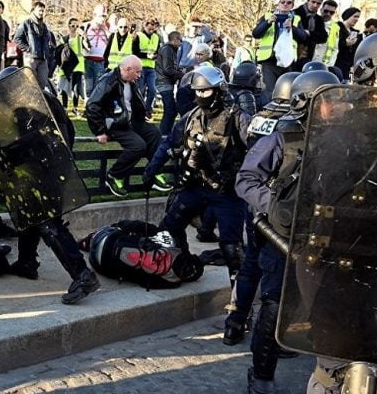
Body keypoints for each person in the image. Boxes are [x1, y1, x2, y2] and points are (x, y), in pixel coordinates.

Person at [304, 30, 377, 393]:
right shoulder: (349, 135)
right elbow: (329, 211)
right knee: (349, 375)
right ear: (373, 76)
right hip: (342, 274)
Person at [236, 70, 340, 394]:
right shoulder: (283, 140)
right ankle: (262, 374)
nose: (339, 106)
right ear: (306, 104)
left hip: (327, 237)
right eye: (329, 101)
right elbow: (245, 180)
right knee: (274, 305)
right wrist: (276, 205)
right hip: (283, 239)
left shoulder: (344, 140)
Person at [0, 66, 101, 304]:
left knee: (49, 224)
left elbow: (42, 139)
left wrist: (11, 153)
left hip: (49, 171)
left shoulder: (36, 106)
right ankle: (26, 262)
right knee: (28, 213)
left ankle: (83, 275)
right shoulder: (39, 101)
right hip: (43, 170)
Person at [142, 66, 250, 289]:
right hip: (196, 186)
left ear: (218, 90)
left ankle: (239, 299)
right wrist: (151, 170)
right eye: (197, 91)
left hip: (227, 192)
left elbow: (258, 147)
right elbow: (168, 143)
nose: (200, 95)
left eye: (205, 91)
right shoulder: (192, 117)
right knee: (169, 227)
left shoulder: (237, 117)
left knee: (232, 247)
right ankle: (183, 263)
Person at [223, 71, 301, 346]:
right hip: (277, 206)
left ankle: (234, 323)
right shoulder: (289, 123)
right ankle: (271, 335)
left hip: (256, 200)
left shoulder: (261, 115)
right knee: (274, 274)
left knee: (250, 264)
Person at [85, 55, 171, 197]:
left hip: (129, 121)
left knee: (154, 134)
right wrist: (100, 131)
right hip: (115, 124)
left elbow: (133, 103)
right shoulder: (109, 81)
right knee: (138, 146)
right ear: (128, 69)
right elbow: (92, 105)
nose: (139, 75)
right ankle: (114, 175)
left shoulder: (130, 81)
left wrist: (143, 113)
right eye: (137, 72)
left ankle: (154, 172)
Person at [252, 0, 308, 97]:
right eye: (283, 2)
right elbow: (256, 34)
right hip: (269, 60)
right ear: (279, 4)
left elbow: (303, 38)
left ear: (292, 5)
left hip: (287, 61)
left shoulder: (296, 19)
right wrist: (267, 23)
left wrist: (292, 28)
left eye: (289, 3)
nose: (285, 4)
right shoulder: (268, 16)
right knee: (269, 92)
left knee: (286, 92)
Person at [14, 2, 52, 90]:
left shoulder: (44, 26)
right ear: (33, 11)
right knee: (30, 82)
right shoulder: (26, 23)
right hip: (30, 58)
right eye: (39, 10)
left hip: (43, 59)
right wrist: (28, 49)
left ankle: (39, 98)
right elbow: (17, 38)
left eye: (43, 11)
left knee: (43, 82)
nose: (41, 13)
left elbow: (48, 40)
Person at [155, 31, 184, 135]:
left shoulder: (170, 50)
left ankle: (166, 132)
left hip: (166, 83)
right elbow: (167, 69)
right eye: (180, 40)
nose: (181, 43)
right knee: (170, 110)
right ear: (175, 39)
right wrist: (181, 75)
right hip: (164, 83)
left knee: (172, 110)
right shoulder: (167, 49)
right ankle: (164, 133)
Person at [57, 17, 86, 115]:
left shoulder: (81, 38)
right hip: (67, 66)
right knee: (65, 87)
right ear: (69, 26)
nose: (75, 28)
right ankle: (65, 107)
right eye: (73, 26)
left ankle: (75, 108)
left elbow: (88, 47)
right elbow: (59, 52)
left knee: (76, 88)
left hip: (78, 66)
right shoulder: (64, 38)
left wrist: (85, 37)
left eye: (77, 26)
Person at [133, 19, 161, 119]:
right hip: (140, 67)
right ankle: (139, 110)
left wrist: (156, 56)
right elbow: (134, 52)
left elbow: (157, 50)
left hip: (151, 67)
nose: (151, 30)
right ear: (145, 26)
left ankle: (147, 109)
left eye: (153, 28)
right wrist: (147, 56)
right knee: (140, 90)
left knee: (152, 89)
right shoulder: (138, 36)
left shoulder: (156, 37)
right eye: (150, 28)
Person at [293, 0, 327, 70]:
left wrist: (309, 33)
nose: (315, 5)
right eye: (313, 2)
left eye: (318, 3)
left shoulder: (318, 19)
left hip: (307, 54)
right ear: (308, 0)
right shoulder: (295, 13)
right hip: (293, 52)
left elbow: (324, 37)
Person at [83, 5, 109, 98]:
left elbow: (112, 40)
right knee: (88, 86)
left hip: (100, 61)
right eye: (101, 16)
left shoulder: (107, 28)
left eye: (105, 16)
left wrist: (106, 30)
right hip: (88, 60)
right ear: (94, 15)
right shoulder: (86, 26)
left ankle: (94, 104)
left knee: (98, 86)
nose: (103, 19)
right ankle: (88, 103)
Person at [334, 7, 362, 80]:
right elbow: (332, 44)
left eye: (358, 17)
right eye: (355, 16)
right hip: (336, 63)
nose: (357, 19)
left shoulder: (355, 32)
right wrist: (345, 44)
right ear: (348, 16)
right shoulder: (337, 28)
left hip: (349, 66)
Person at [311, 0, 340, 67]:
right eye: (326, 11)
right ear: (321, 10)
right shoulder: (312, 21)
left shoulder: (335, 28)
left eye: (331, 12)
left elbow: (335, 49)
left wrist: (329, 66)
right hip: (308, 60)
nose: (328, 14)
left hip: (323, 64)